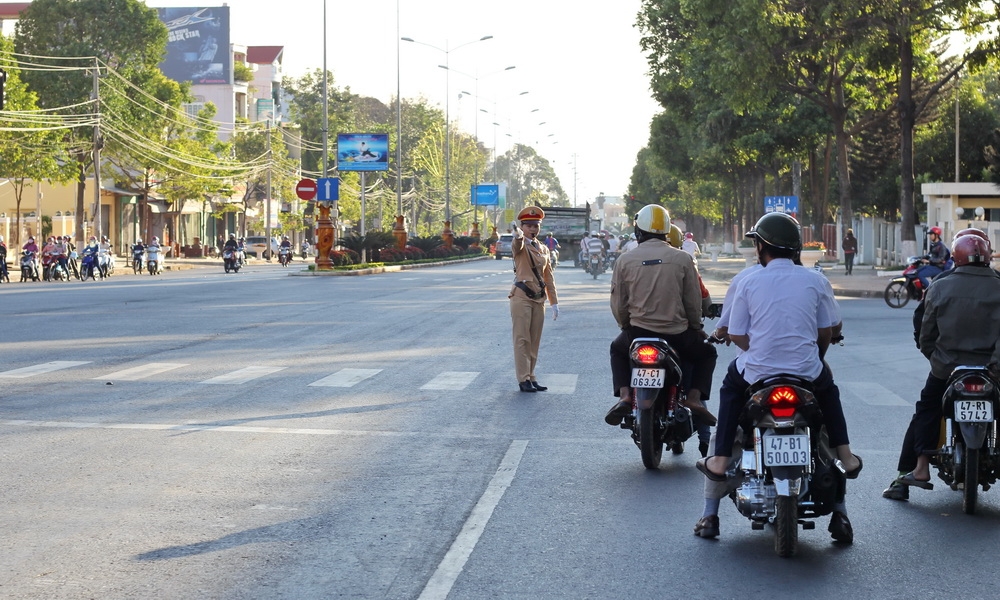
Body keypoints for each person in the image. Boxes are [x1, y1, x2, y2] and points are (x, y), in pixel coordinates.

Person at [693, 212, 861, 543]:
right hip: (806, 374)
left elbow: (737, 334)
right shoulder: (815, 279)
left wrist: (760, 349)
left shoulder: (748, 280)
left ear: (761, 247)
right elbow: (827, 330)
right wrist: (814, 357)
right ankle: (845, 459)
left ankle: (715, 485)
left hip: (757, 374)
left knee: (729, 389)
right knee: (828, 398)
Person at [883, 228, 998, 501]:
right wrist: (996, 365)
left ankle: (917, 470)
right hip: (993, 371)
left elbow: (925, 332)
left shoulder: (940, 285)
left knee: (926, 410)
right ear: (987, 255)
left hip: (948, 369)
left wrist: (938, 360)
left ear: (956, 256)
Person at [604, 204, 718, 429]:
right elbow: (693, 301)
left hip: (638, 332)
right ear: (667, 231)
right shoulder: (682, 259)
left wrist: (625, 325)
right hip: (677, 334)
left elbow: (619, 303)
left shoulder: (625, 260)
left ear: (639, 231)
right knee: (708, 352)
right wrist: (695, 326)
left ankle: (625, 396)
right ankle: (694, 399)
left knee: (617, 349)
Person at [508, 206, 559, 392]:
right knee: (522, 339)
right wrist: (517, 235)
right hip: (521, 297)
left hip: (539, 298)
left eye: (536, 225)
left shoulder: (544, 248)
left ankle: (531, 375)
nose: (533, 229)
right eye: (528, 225)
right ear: (522, 226)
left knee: (535, 339)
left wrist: (554, 302)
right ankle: (523, 379)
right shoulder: (520, 245)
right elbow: (517, 245)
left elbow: (548, 277)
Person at [916, 226, 950, 290]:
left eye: (931, 234)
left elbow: (941, 259)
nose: (930, 236)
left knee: (920, 274)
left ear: (936, 235)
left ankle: (929, 289)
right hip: (932, 266)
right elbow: (929, 255)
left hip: (938, 268)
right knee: (917, 271)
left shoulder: (941, 246)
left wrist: (929, 261)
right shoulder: (933, 245)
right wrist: (919, 258)